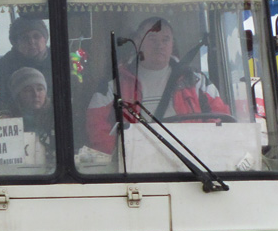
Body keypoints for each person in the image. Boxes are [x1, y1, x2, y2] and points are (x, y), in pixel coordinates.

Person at [85, 16, 230, 154]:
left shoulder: (197, 81)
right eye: (152, 39)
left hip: (190, 165)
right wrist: (122, 158)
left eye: (165, 40)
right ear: (137, 41)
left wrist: (204, 150)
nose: (159, 45)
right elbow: (97, 129)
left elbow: (221, 120)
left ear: (172, 44)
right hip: (133, 169)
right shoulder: (113, 84)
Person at [0, 16, 52, 104]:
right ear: (15, 43)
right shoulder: (5, 66)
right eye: (25, 38)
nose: (31, 41)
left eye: (36, 36)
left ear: (45, 39)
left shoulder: (59, 60)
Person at [7, 66, 53, 143]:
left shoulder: (55, 116)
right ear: (18, 95)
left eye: (40, 89)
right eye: (28, 90)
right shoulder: (8, 120)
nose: (36, 94)